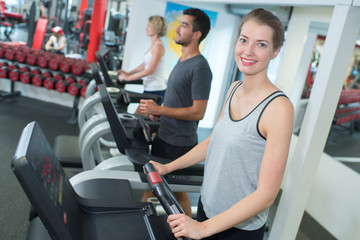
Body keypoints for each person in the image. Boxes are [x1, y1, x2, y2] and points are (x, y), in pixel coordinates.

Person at [147, 8, 294, 240]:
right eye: (244, 40)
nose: (248, 50)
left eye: (261, 44)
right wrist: (168, 167)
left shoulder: (279, 108)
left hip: (239, 228)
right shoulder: (234, 89)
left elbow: (267, 194)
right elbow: (213, 141)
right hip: (209, 209)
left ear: (275, 51)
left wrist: (203, 229)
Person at [139, 8, 213, 216]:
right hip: (166, 136)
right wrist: (161, 113)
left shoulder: (200, 68)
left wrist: (161, 109)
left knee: (165, 189)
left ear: (196, 34)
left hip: (178, 143)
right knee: (166, 190)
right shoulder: (182, 61)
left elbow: (199, 112)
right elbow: (178, 100)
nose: (178, 28)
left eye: (184, 25)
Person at [117, 15, 168, 113]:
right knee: (138, 118)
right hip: (149, 88)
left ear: (156, 28)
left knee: (138, 118)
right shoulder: (154, 45)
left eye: (149, 25)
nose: (146, 28)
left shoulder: (158, 46)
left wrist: (128, 78)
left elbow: (150, 70)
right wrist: (128, 73)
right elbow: (145, 64)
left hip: (156, 90)